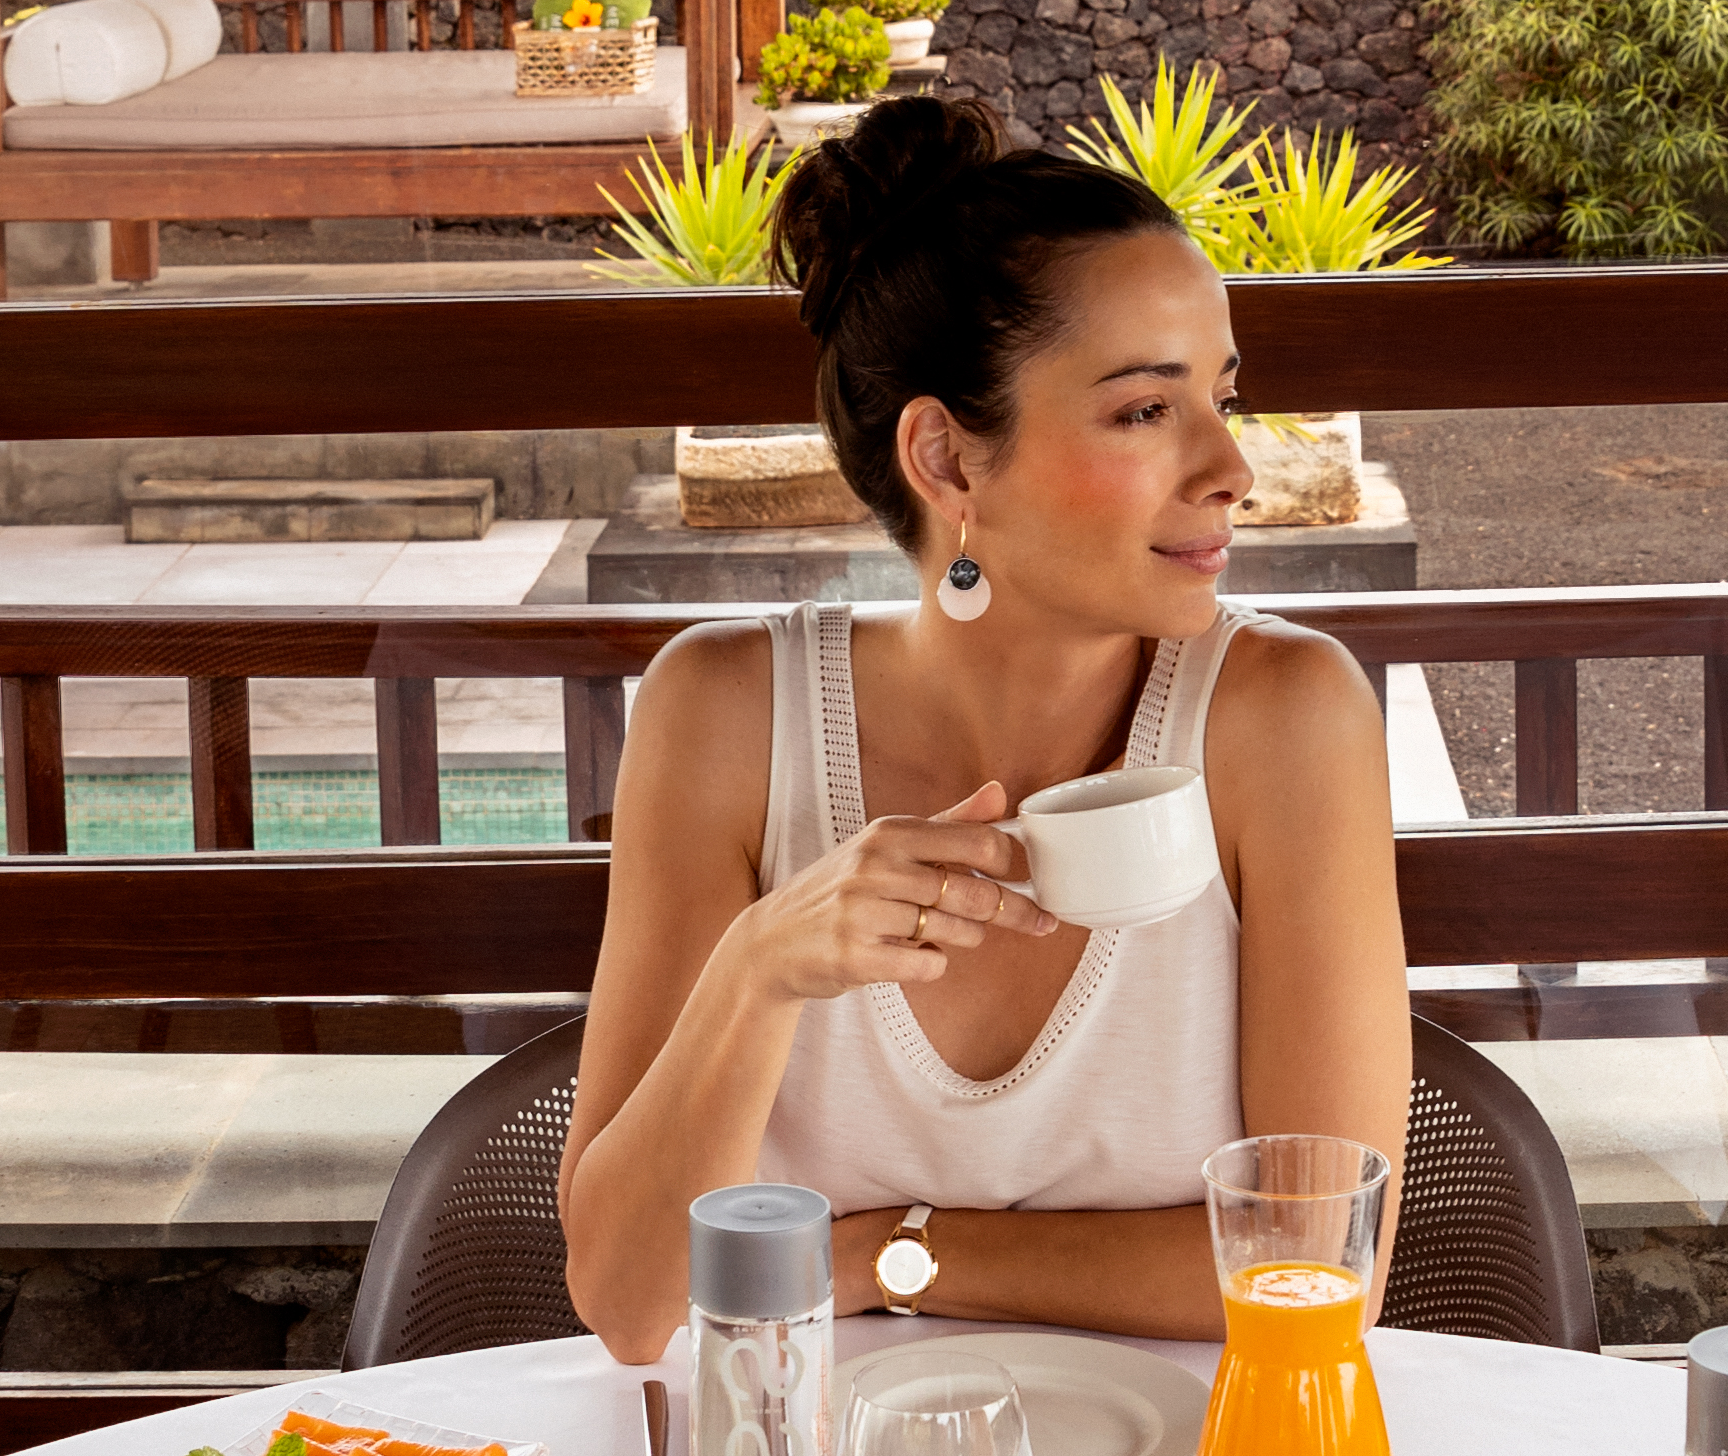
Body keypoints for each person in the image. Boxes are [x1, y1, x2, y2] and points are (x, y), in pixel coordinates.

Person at [558, 94, 1409, 1362]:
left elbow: (1313, 1258)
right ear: (948, 461)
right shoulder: (726, 715)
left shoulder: (1282, 719)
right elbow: (630, 1298)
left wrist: (878, 1254)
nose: (1230, 463)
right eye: (1143, 409)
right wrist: (760, 967)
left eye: (1223, 395)